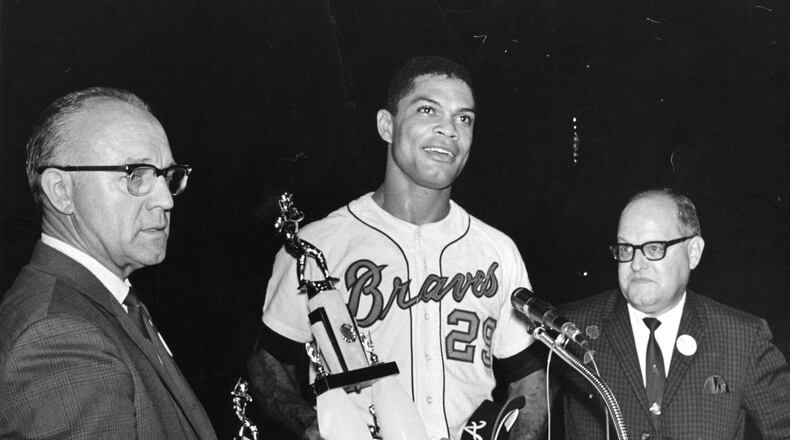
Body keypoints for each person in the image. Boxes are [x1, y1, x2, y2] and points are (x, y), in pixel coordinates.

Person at [246, 55, 548, 440]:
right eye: (428, 110)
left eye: (464, 118)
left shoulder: (497, 250)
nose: (449, 130)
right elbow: (267, 360)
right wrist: (311, 426)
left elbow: (529, 379)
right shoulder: (318, 245)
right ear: (387, 125)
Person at [0, 87, 217, 439]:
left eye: (167, 175)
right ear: (61, 191)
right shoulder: (57, 338)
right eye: (136, 175)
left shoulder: (97, 303)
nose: (165, 200)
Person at [556, 188, 790, 439]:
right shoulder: (568, 328)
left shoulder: (741, 337)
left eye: (654, 248)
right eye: (626, 249)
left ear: (693, 252)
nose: (636, 263)